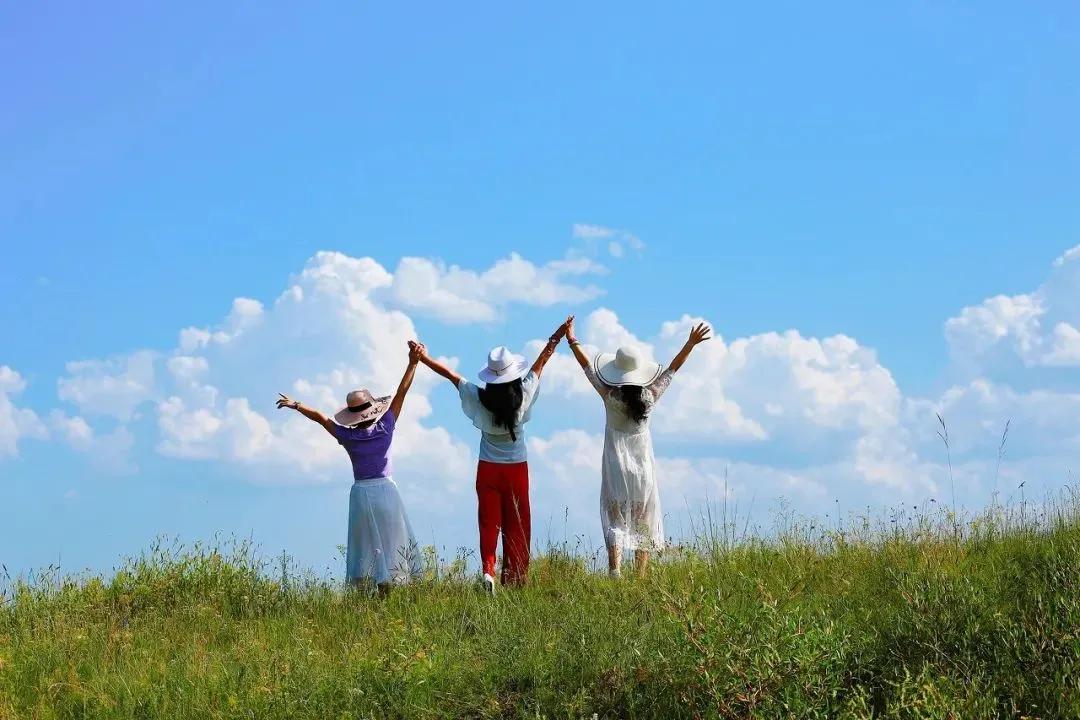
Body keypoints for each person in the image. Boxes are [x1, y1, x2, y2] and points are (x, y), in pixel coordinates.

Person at [413, 318, 568, 593]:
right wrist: (557, 336)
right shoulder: (524, 395)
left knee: (488, 523)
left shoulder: (478, 397)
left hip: (487, 470)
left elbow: (449, 374)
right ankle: (515, 579)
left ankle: (488, 571)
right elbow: (540, 363)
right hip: (517, 470)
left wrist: (422, 358)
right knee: (517, 525)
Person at [564, 316, 712, 577]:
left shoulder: (610, 396)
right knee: (643, 517)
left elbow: (586, 367)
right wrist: (690, 344)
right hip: (642, 463)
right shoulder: (650, 397)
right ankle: (641, 574)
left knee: (615, 514)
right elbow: (672, 370)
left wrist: (572, 340)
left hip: (614, 462)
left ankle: (614, 568)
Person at [275, 341, 425, 593]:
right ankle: (392, 589)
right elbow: (402, 392)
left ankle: (372, 591)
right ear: (372, 409)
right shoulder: (385, 426)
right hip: (386, 491)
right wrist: (413, 363)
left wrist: (297, 405)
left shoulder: (348, 436)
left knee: (366, 546)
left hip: (361, 494)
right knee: (393, 542)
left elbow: (322, 418)